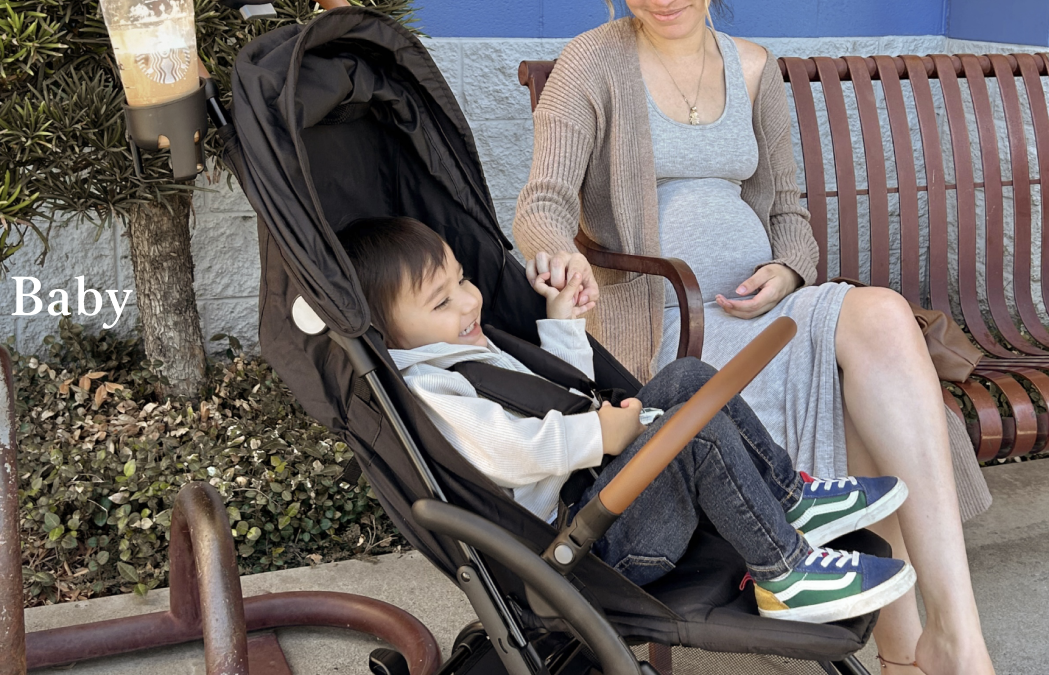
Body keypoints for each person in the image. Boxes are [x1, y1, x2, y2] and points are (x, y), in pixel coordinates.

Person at [509, 0, 1042, 675]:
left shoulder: (755, 68)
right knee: (863, 378)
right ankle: (916, 660)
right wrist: (558, 253)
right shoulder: (592, 62)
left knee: (883, 322)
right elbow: (543, 203)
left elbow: (792, 214)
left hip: (770, 316)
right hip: (669, 330)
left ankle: (961, 651)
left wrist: (785, 268)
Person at [338, 216, 913, 624]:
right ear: (386, 331)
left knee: (688, 378)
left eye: (462, 280)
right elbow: (505, 448)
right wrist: (598, 435)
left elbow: (555, 395)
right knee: (696, 430)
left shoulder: (466, 347)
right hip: (593, 548)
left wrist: (561, 323)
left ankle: (789, 499)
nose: (468, 301)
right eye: (440, 302)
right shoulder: (428, 384)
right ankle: (783, 576)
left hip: (604, 496)